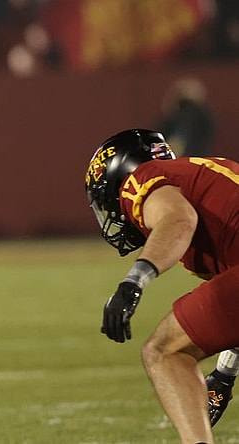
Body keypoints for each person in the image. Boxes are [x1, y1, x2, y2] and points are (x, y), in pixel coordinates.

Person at [84, 128, 239, 443]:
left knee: (165, 352)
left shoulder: (143, 178)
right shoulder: (207, 176)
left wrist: (134, 281)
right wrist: (225, 374)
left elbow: (179, 220)